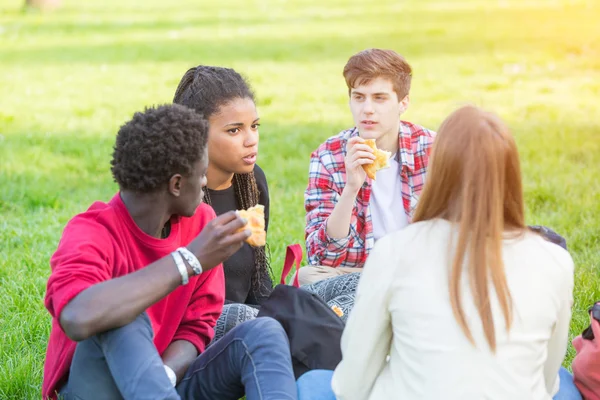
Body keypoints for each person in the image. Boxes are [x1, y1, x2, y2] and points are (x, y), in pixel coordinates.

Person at [42, 104, 297, 400]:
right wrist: (188, 260)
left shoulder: (201, 222)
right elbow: (76, 317)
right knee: (123, 315)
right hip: (99, 387)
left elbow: (196, 328)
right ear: (176, 184)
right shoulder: (92, 231)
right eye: (202, 174)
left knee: (263, 332)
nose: (205, 183)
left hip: (162, 383)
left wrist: (161, 376)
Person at [329, 105, 578, 399]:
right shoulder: (555, 261)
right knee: (565, 382)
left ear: (439, 169)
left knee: (313, 382)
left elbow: (351, 386)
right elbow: (547, 382)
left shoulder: (395, 251)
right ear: (512, 172)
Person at [303, 48, 436, 286]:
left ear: (403, 103)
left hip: (421, 269)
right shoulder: (328, 156)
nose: (367, 109)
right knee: (307, 277)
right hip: (359, 273)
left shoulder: (432, 149)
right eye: (359, 97)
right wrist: (351, 188)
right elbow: (322, 256)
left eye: (379, 98)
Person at [173, 66, 273, 340]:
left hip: (252, 324)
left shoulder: (253, 183)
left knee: (350, 290)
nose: (251, 139)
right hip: (196, 328)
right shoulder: (175, 197)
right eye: (234, 131)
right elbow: (179, 301)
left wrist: (277, 310)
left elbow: (258, 277)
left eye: (254, 126)